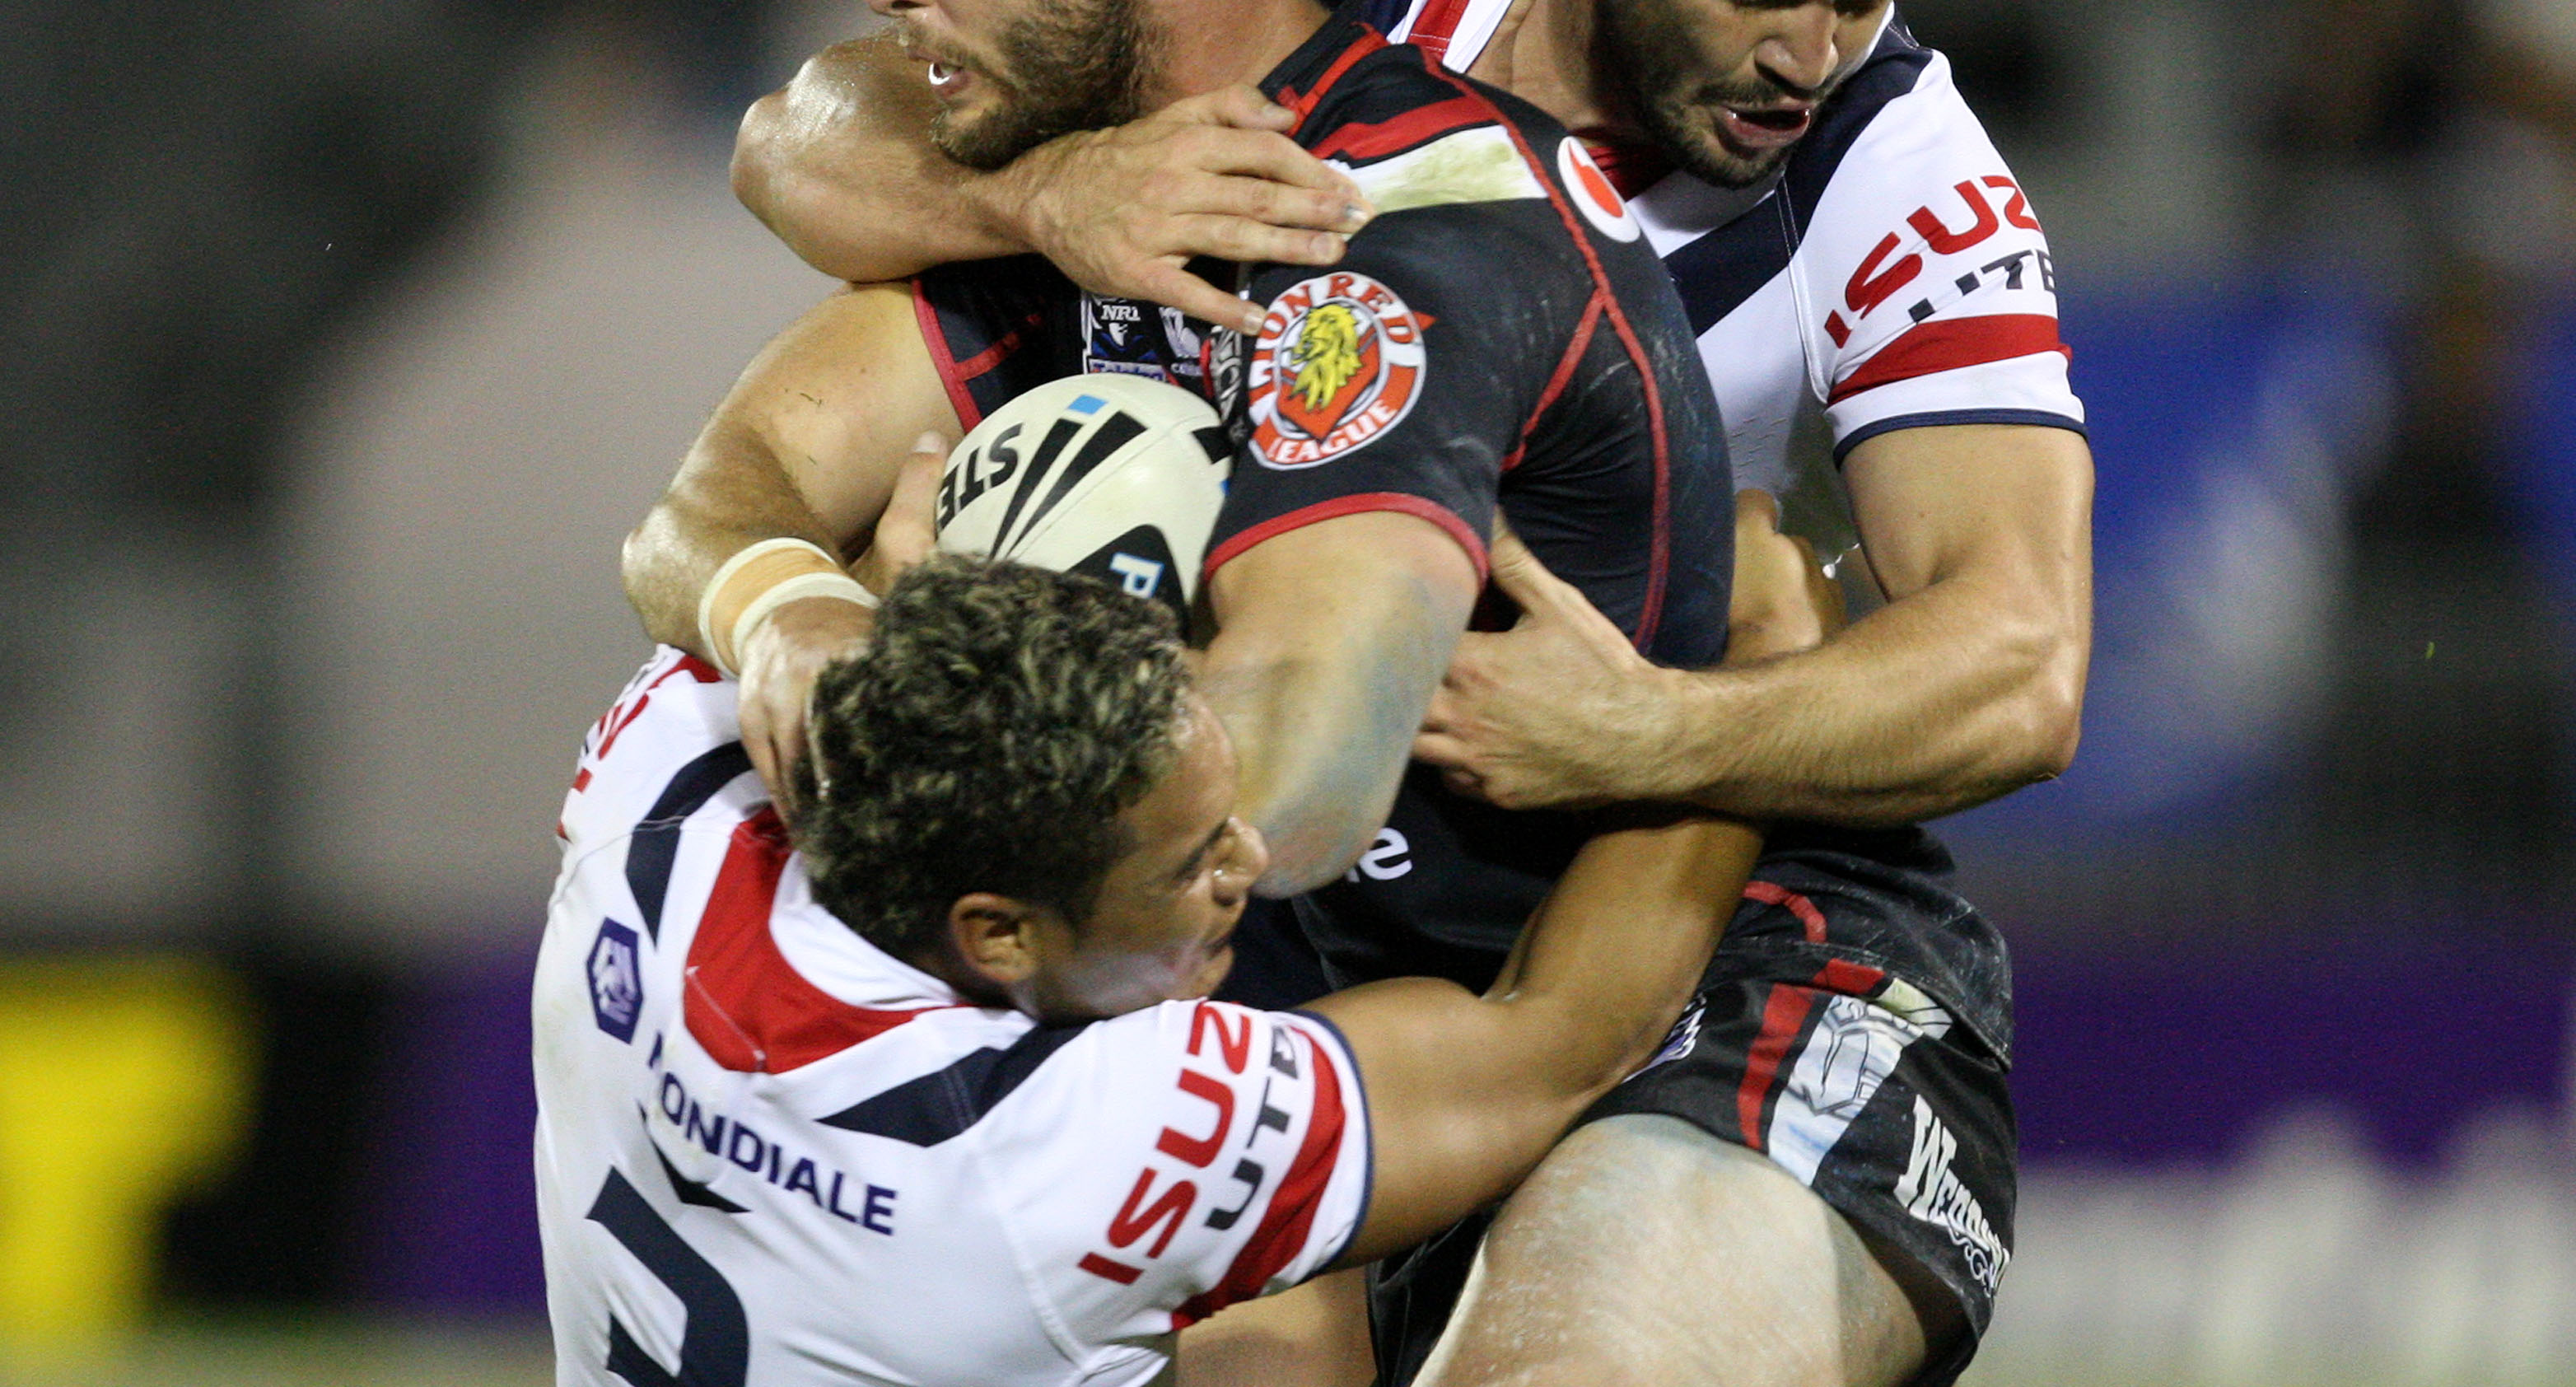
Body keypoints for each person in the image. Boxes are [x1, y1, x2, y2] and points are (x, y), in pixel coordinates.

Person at [729, 0, 2093, 1387]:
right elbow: (798, 137)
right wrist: (1040, 196)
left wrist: (1652, 733)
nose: (1806, 57)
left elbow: (2019, 663)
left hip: (1708, 895)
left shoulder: (1900, 174)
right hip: (1302, 908)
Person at [536, 552, 1766, 1386]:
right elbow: (1561, 1036)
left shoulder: (669, 788)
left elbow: (689, 534)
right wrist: (1728, 690)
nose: (1252, 858)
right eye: (1190, 861)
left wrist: (789, 596)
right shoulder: (1066, 1145)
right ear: (997, 934)